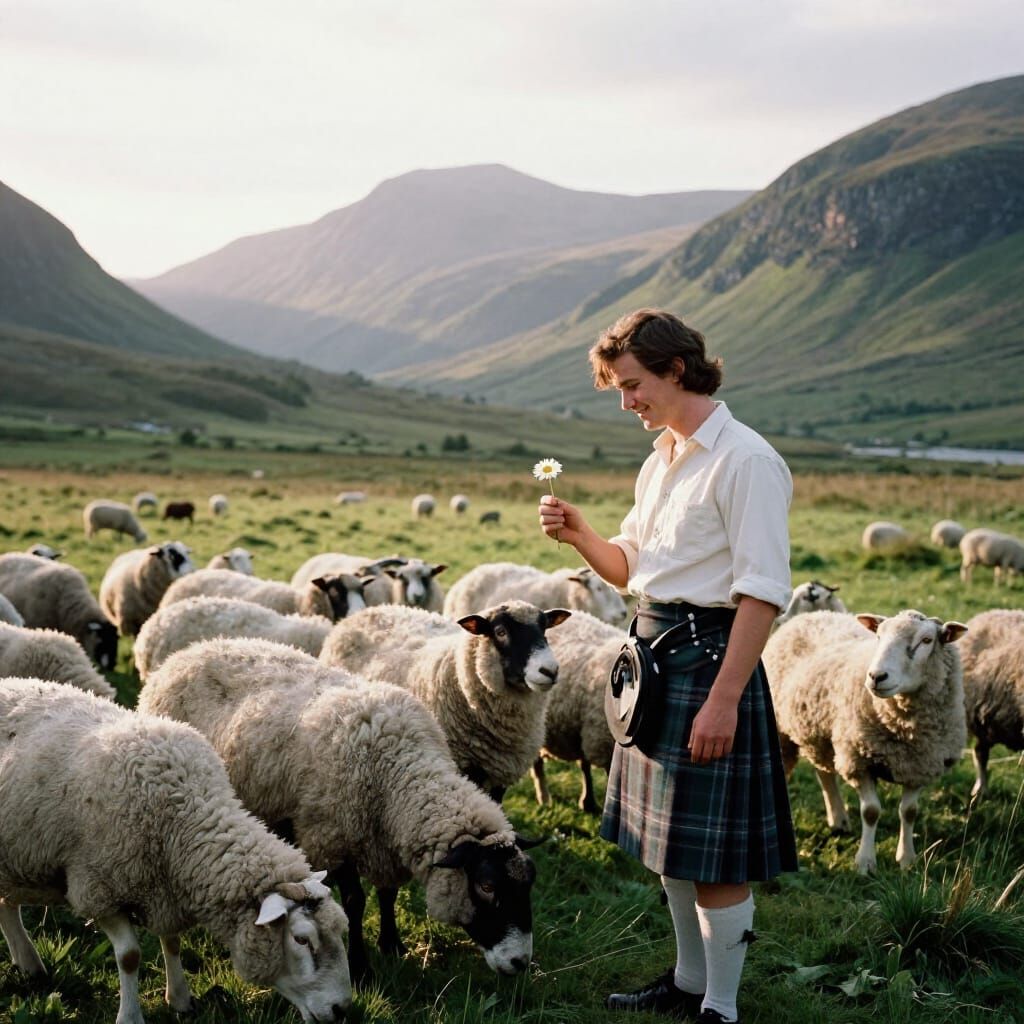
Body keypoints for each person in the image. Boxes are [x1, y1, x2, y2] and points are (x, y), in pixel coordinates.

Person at [538, 308, 798, 1024]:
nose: (626, 402)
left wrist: (724, 699)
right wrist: (582, 535)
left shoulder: (745, 460)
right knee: (673, 849)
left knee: (716, 861)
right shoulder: (661, 460)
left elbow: (761, 593)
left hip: (711, 664)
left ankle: (721, 1008)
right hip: (655, 663)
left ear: (675, 370)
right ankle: (687, 985)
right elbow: (632, 569)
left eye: (632, 385)